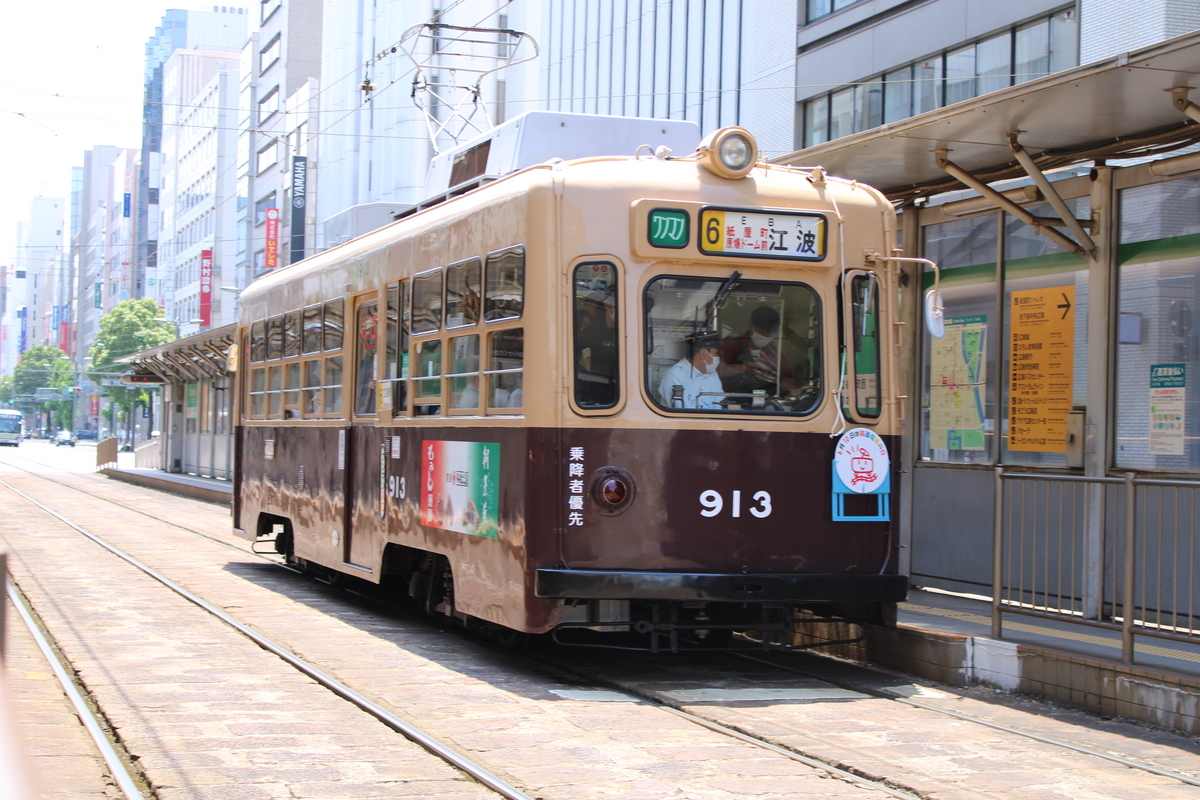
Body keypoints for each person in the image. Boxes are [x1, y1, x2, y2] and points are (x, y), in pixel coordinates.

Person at [721, 306, 794, 396]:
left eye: (770, 333)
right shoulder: (731, 344)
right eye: (761, 331)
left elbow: (790, 383)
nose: (765, 336)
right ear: (751, 325)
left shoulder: (774, 352)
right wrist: (747, 368)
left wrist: (773, 378)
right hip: (735, 402)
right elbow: (718, 370)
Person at [658, 331, 725, 409]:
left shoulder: (713, 375)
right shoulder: (675, 375)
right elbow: (684, 412)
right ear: (703, 353)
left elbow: (720, 405)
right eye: (716, 353)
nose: (718, 357)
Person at [575, 290, 618, 406]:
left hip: (609, 388)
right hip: (591, 389)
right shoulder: (589, 333)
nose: (587, 308)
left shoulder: (618, 331)